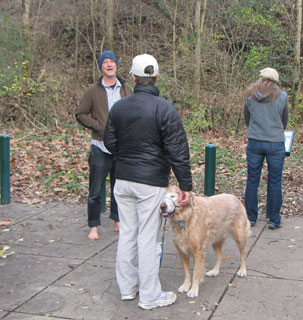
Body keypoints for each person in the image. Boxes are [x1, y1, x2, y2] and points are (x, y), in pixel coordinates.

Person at [104, 53, 192, 310]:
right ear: (155, 77)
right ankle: (150, 295)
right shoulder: (164, 108)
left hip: (123, 180)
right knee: (148, 238)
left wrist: (126, 156)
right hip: (151, 181)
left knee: (128, 233)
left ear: (132, 77)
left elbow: (110, 142)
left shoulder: (119, 107)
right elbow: (178, 149)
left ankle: (127, 289)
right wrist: (185, 185)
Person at [76, 50, 133, 240]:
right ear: (101, 67)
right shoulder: (93, 91)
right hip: (100, 147)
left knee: (119, 188)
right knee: (95, 190)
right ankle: (93, 226)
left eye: (112, 62)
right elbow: (81, 113)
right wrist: (98, 126)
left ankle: (117, 220)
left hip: (121, 147)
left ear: (117, 65)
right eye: (105, 62)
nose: (109, 65)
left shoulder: (126, 88)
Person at [244, 67, 289, 230]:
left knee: (252, 180)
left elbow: (247, 118)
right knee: (275, 181)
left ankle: (250, 217)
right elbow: (284, 121)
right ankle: (274, 218)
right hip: (275, 143)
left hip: (255, 141)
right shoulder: (282, 97)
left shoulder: (250, 96)